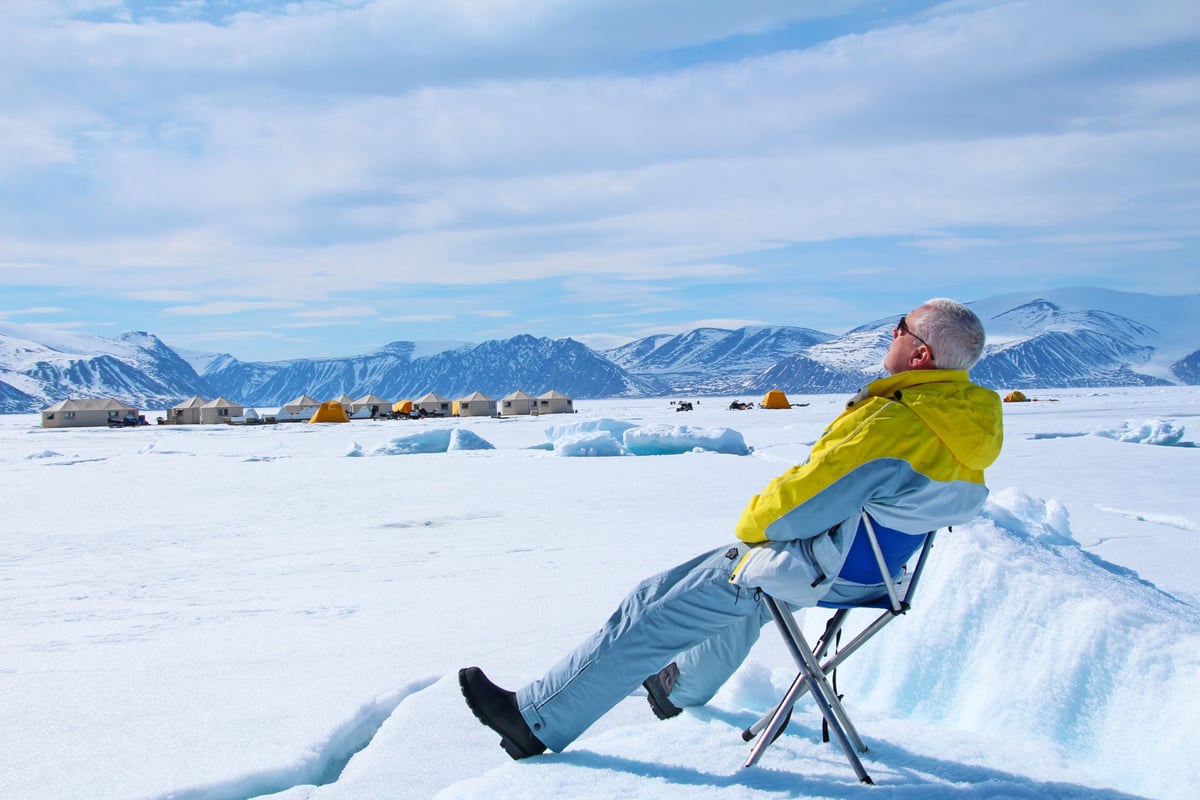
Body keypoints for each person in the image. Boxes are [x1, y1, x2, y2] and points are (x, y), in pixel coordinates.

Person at [459, 298, 1004, 760]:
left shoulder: (896, 422)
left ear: (920, 354)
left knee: (653, 609)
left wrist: (754, 520)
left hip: (820, 568)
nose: (892, 334)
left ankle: (533, 721)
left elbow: (797, 506)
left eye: (900, 329)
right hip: (872, 574)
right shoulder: (961, 426)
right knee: (707, 588)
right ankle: (681, 690)